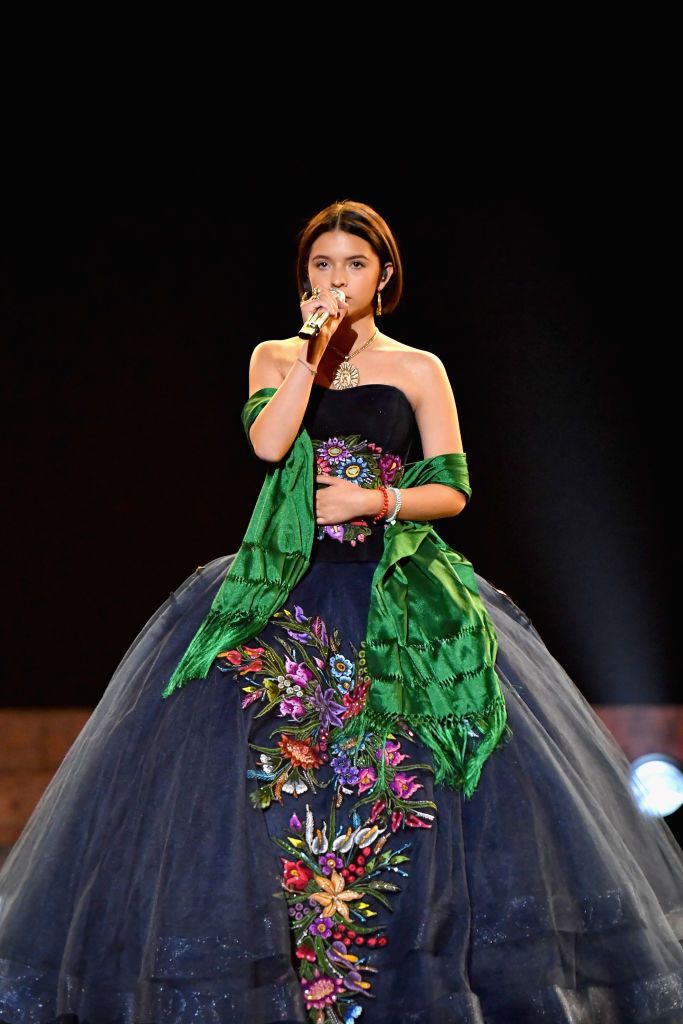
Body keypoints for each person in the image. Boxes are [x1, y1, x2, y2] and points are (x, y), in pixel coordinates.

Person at [0, 200, 682, 1024]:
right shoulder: (274, 356)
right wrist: (309, 357)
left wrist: (377, 497)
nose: (334, 278)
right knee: (262, 783)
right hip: (284, 583)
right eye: (320, 265)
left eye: (351, 265)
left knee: (423, 781)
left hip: (395, 588)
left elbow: (453, 488)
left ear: (383, 275)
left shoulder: (420, 368)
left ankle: (411, 973)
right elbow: (267, 445)